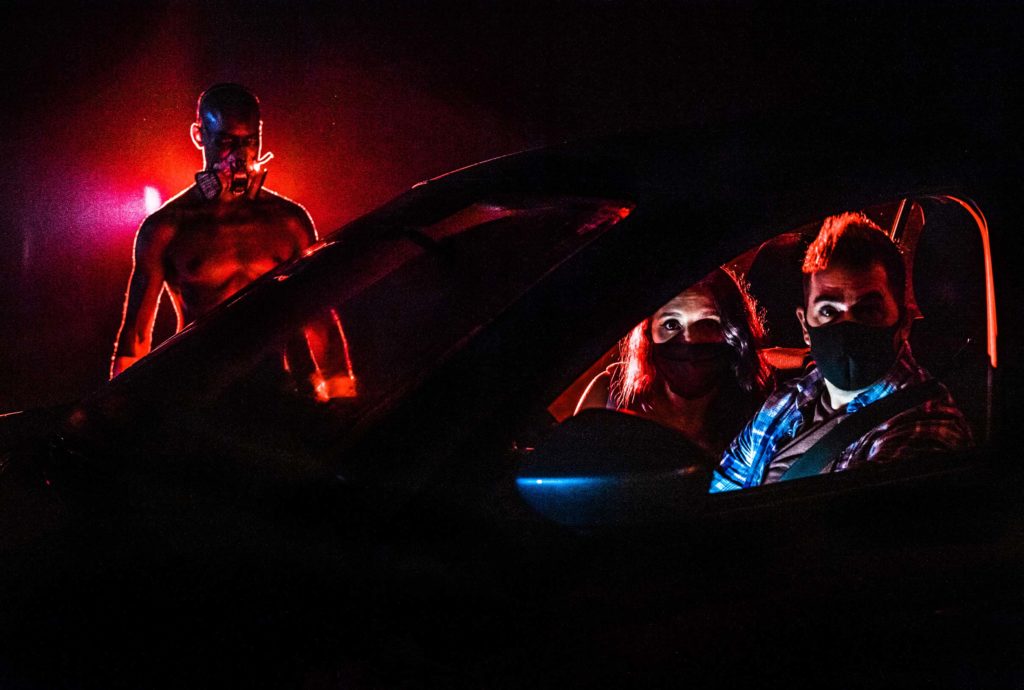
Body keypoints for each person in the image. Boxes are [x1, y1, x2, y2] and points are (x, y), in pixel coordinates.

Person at [711, 212, 972, 491]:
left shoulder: (924, 425)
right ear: (804, 325)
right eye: (828, 311)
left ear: (904, 322)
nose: (847, 326)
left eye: (868, 309)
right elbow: (724, 485)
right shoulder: (786, 402)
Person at [111, 83, 317, 378]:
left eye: (250, 141)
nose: (241, 155)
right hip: (199, 391)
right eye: (226, 142)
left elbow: (319, 318)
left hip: (274, 392)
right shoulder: (167, 227)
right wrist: (114, 413)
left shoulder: (290, 222)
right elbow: (137, 336)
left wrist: (339, 393)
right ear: (199, 135)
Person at [576, 267, 773, 460]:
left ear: (733, 331)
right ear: (648, 332)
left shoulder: (758, 413)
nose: (689, 339)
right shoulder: (609, 394)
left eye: (707, 323)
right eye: (671, 324)